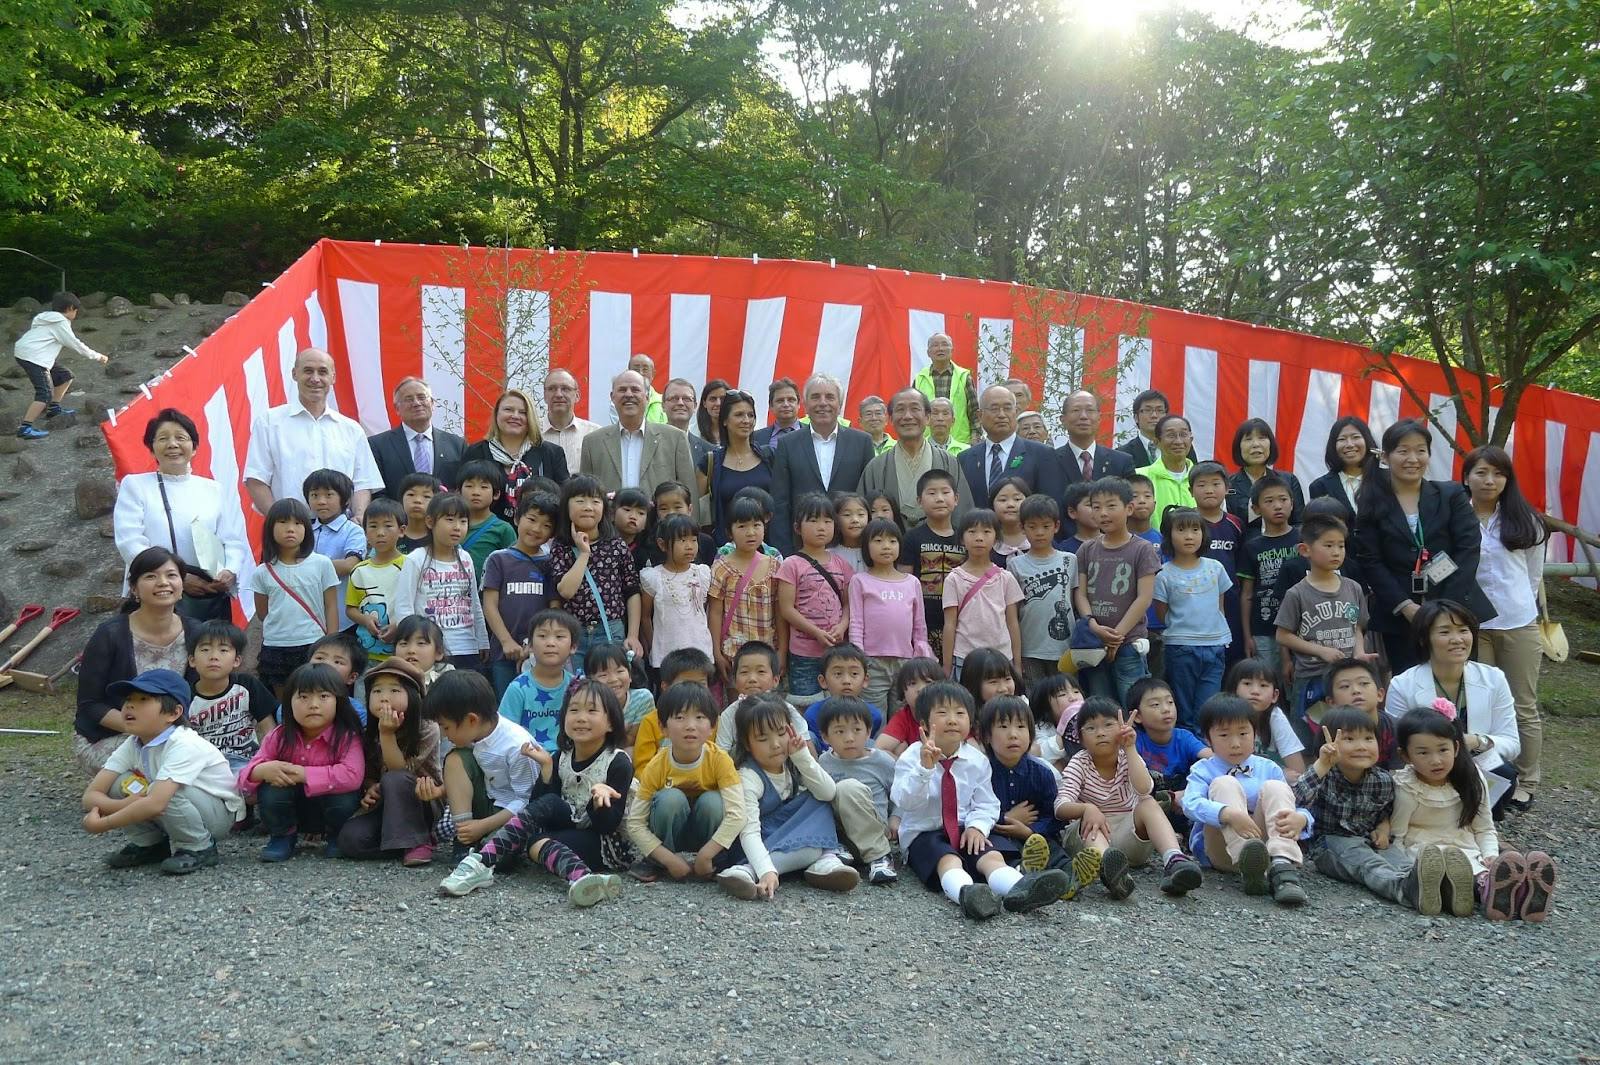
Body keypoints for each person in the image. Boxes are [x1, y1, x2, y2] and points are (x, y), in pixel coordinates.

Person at [439, 679, 632, 906]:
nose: (581, 718)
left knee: (539, 834)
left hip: (606, 842)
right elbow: (541, 808)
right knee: (535, 841)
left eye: (592, 711)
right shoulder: (562, 756)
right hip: (573, 826)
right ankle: (585, 880)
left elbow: (608, 826)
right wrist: (547, 768)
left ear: (611, 723)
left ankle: (482, 861)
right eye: (573, 710)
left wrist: (600, 802)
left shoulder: (617, 762)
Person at [891, 682, 1070, 919]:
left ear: (970, 721)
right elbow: (904, 801)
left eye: (960, 713)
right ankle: (968, 894)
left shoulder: (977, 760)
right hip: (925, 831)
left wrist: (977, 827)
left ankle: (1021, 889)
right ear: (923, 723)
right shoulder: (912, 757)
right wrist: (924, 770)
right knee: (947, 860)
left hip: (966, 828)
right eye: (942, 713)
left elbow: (986, 804)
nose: (952, 720)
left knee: (991, 855)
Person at [1357, 418, 1495, 673]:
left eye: (1421, 450)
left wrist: (1443, 610)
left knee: (1459, 682)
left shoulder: (1451, 495)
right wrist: (1406, 607)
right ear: (1385, 457)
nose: (1413, 458)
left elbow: (1468, 549)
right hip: (1401, 619)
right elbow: (1370, 561)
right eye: (1403, 451)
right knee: (1412, 685)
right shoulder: (1371, 501)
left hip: (1454, 612)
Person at [1392, 707, 1554, 921]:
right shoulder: (1406, 787)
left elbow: (1484, 827)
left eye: (1443, 750)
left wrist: (1490, 855)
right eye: (1423, 753)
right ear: (1405, 755)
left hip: (1465, 845)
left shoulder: (1471, 778)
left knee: (1477, 866)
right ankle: (1493, 891)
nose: (1436, 760)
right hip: (1423, 850)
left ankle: (1523, 893)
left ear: (1456, 747)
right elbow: (1397, 836)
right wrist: (1401, 870)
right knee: (1445, 870)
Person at [79, 669, 244, 874]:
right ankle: (150, 845)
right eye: (128, 699)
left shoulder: (184, 743)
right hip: (173, 806)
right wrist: (123, 804)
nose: (130, 705)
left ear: (173, 713)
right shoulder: (133, 743)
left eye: (143, 699)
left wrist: (104, 824)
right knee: (119, 782)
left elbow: (157, 803)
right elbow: (91, 795)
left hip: (215, 816)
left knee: (163, 791)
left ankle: (199, 847)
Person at [1462, 445, 1546, 813]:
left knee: (1522, 704)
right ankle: (1489, 778)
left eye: (1498, 473)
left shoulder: (1527, 521)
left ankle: (1527, 781)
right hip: (1474, 625)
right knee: (1481, 706)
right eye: (1481, 472)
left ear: (1508, 479)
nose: (1489, 480)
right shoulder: (1456, 517)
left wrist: (1525, 611)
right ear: (1466, 477)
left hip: (1518, 622)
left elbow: (1533, 576)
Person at [1054, 697, 1204, 898]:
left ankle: (1174, 860)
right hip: (1091, 838)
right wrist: (1086, 808)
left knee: (1148, 803)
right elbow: (1060, 806)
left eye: (1108, 725)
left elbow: (1144, 789)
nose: (1100, 732)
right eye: (1090, 728)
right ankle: (1111, 872)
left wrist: (1131, 748)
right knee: (1090, 825)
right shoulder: (1079, 763)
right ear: (1080, 738)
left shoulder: (1128, 757)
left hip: (1128, 836)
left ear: (1122, 728)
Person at [715, 695, 861, 899]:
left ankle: (823, 860)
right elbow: (748, 831)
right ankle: (750, 869)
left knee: (818, 800)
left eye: (781, 733)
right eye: (763, 739)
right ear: (747, 744)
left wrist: (802, 756)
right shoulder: (748, 776)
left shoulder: (792, 761)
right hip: (756, 843)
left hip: (790, 833)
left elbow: (829, 792)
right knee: (812, 850)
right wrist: (766, 870)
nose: (775, 744)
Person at [1384, 600, 1521, 816]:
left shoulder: (1493, 678)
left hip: (1475, 762)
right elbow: (1397, 749)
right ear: (1424, 639)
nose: (1457, 639)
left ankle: (1480, 824)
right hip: (1425, 767)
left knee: (1503, 772)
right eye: (1445, 632)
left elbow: (1512, 743)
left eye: (1463, 630)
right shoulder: (1403, 685)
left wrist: (1477, 741)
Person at [113, 408, 250, 621]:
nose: (172, 444)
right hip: (157, 593)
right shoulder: (135, 486)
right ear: (151, 448)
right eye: (163, 438)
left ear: (194, 447)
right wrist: (177, 578)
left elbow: (232, 540)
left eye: (180, 438)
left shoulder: (213, 489)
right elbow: (130, 542)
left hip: (208, 597)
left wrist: (229, 571)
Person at [1291, 706, 1428, 909]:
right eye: (1349, 739)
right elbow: (1296, 799)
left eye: (1368, 738)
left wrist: (1383, 829)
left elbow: (1384, 811)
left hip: (1368, 840)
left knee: (1398, 859)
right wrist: (1322, 764)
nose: (1362, 746)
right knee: (1368, 863)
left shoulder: (1382, 780)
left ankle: (1433, 888)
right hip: (1329, 844)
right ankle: (1403, 889)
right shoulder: (1323, 775)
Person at [1180, 694, 1312, 906]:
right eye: (1224, 735)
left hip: (1266, 847)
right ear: (1208, 739)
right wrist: (1227, 814)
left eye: (1243, 733)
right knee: (1224, 783)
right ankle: (1248, 861)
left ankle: (1282, 866)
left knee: (1276, 787)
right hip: (1222, 848)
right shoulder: (1203, 769)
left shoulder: (1268, 767)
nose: (1235, 744)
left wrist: (1301, 819)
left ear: (1255, 734)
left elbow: (1292, 805)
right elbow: (1189, 803)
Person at [238, 663, 366, 861]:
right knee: (271, 788)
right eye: (303, 697)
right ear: (289, 703)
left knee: (345, 795)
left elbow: (352, 775)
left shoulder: (347, 736)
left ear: (339, 701)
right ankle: (282, 837)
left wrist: (303, 774)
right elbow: (244, 778)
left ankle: (337, 837)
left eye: (323, 696)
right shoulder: (279, 736)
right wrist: (262, 771)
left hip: (330, 812)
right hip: (292, 812)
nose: (313, 704)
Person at [243, 348, 382, 523]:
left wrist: (359, 516)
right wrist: (280, 523)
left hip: (342, 529)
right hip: (290, 530)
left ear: (333, 377)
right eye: (308, 371)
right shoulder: (269, 422)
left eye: (322, 372)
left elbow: (363, 482)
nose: (315, 379)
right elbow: (256, 479)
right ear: (294, 374)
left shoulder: (352, 429)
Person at [625, 682, 747, 882]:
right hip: (670, 833)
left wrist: (706, 854)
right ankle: (657, 862)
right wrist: (668, 859)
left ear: (712, 727)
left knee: (713, 802)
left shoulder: (720, 760)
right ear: (663, 728)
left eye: (699, 717)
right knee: (670, 799)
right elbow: (635, 823)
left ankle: (714, 860)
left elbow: (738, 814)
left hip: (707, 835)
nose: (690, 726)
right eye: (680, 717)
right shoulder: (657, 765)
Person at [334, 659, 441, 866]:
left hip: (422, 800)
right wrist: (370, 787)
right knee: (350, 840)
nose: (384, 697)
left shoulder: (427, 728)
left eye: (394, 690)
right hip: (385, 803)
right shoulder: (368, 732)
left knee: (395, 778)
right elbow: (368, 773)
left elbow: (400, 770)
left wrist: (387, 734)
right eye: (376, 691)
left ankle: (419, 841)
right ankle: (399, 845)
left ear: (413, 696)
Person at [1275, 511, 1371, 742]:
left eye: (1341, 545)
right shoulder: (1297, 593)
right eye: (1328, 545)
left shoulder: (1353, 588)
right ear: (1305, 550)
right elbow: (1283, 635)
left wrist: (1359, 652)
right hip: (1312, 676)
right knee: (1310, 737)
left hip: (1347, 677)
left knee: (1349, 733)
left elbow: (1357, 626)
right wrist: (1321, 651)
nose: (1336, 552)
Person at [430, 669, 537, 861]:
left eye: (446, 727)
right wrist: (442, 790)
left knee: (497, 858)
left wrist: (484, 826)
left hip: (512, 814)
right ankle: (464, 838)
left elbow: (526, 801)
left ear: (472, 720)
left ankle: (481, 839)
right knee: (456, 759)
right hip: (489, 799)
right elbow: (468, 775)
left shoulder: (517, 746)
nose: (444, 735)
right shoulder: (476, 733)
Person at [1073, 477, 1160, 705]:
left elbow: (1144, 598)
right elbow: (1080, 594)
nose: (1103, 513)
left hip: (1129, 643)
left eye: (1111, 506)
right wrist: (1092, 624)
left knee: (1133, 704)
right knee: (1101, 705)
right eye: (1096, 507)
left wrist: (1116, 637)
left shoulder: (1143, 549)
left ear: (1129, 508)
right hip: (1093, 643)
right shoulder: (1087, 549)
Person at [771, 373, 876, 553]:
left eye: (829, 397)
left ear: (840, 404)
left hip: (852, 546)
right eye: (815, 397)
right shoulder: (787, 444)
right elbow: (780, 502)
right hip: (802, 548)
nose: (822, 403)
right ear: (805, 404)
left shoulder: (862, 442)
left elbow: (869, 497)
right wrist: (785, 551)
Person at [546, 475, 643, 661]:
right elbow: (566, 591)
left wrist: (632, 635)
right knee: (577, 680)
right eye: (580, 501)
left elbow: (632, 591)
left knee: (610, 678)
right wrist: (584, 553)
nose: (588, 507)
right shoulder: (560, 546)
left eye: (596, 501)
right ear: (566, 506)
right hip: (574, 632)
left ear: (605, 508)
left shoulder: (616, 545)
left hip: (610, 629)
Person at [1153, 507, 1233, 732]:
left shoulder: (1215, 568)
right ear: (1169, 536)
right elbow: (1162, 613)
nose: (1189, 536)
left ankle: (1205, 746)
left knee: (1208, 708)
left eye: (1195, 529)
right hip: (1181, 647)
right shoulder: (1164, 574)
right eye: (1181, 530)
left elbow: (1220, 606)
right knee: (1184, 709)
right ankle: (1189, 746)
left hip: (1215, 645)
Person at [250, 499, 340, 696]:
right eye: (283, 522)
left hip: (313, 643)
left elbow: (331, 606)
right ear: (270, 527)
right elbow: (263, 612)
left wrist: (330, 644)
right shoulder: (262, 572)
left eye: (298, 523)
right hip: (276, 645)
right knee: (284, 702)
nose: (291, 529)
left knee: (316, 695)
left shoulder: (322, 564)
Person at [393, 493, 491, 672]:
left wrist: (482, 640)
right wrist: (411, 646)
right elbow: (404, 607)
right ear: (430, 522)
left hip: (467, 646)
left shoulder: (465, 557)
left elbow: (474, 602)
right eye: (450, 520)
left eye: (463, 521)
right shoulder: (416, 559)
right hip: (431, 650)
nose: (457, 527)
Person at [977, 696, 1068, 876]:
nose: (1013, 734)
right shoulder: (981, 773)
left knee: (1053, 849)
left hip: (1035, 835)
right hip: (998, 836)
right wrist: (1004, 818)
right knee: (998, 850)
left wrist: (1029, 831)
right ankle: (1026, 875)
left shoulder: (1042, 773)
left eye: (1020, 726)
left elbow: (1053, 816)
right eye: (1003, 726)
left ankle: (1071, 873)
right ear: (987, 736)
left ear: (1030, 734)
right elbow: (973, 811)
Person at [858, 388, 972, 529]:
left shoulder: (949, 462)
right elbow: (862, 515)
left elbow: (962, 514)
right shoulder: (876, 467)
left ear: (927, 417)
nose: (907, 416)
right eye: (900, 410)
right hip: (890, 542)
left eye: (915, 409)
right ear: (891, 419)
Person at [580, 370, 700, 504]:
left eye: (635, 389)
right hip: (610, 517)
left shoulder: (675, 438)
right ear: (612, 397)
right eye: (622, 390)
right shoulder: (592, 442)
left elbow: (690, 495)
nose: (629, 394)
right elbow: (585, 494)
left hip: (658, 517)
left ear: (647, 397)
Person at [776, 493, 854, 698]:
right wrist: (816, 632)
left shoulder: (841, 564)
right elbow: (786, 609)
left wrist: (842, 626)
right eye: (813, 520)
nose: (821, 527)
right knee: (805, 703)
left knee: (838, 704)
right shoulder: (791, 564)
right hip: (804, 653)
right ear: (797, 527)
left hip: (837, 651)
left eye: (828, 521)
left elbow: (848, 604)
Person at [849, 519, 931, 713]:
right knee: (874, 715)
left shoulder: (912, 582)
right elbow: (856, 622)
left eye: (892, 541)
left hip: (906, 661)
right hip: (872, 661)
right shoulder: (860, 581)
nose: (886, 546)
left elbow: (919, 625)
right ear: (866, 547)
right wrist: (858, 657)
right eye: (878, 541)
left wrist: (920, 655)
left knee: (902, 714)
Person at [480, 491, 556, 698]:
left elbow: (554, 608)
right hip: (504, 653)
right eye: (531, 519)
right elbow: (489, 605)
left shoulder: (551, 563)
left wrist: (538, 644)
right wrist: (506, 641)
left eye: (546, 525)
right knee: (507, 707)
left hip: (541, 654)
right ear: (516, 518)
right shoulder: (498, 559)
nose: (537, 528)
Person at [814, 698, 899, 884]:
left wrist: (896, 817)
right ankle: (832, 850)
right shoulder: (824, 762)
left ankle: (880, 858)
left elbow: (901, 794)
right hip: (841, 841)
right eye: (840, 731)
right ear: (825, 737)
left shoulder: (882, 761)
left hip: (875, 833)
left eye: (857, 730)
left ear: (868, 732)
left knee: (847, 788)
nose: (849, 738)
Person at [461, 389, 569, 523]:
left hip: (538, 532)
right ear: (496, 414)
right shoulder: (476, 452)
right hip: (488, 532)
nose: (515, 416)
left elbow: (564, 500)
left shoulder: (551, 453)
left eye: (523, 412)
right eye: (508, 410)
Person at [708, 496, 784, 684]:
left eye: (756, 525)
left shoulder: (775, 566)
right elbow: (715, 612)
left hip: (767, 649)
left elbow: (780, 611)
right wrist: (716, 651)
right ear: (729, 532)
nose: (751, 532)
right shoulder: (721, 568)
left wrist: (782, 650)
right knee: (738, 697)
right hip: (733, 651)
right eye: (742, 526)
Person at [185, 620, 278, 773]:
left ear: (236, 660)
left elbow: (268, 727)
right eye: (205, 649)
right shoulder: (185, 696)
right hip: (206, 765)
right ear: (192, 660)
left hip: (246, 761)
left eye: (223, 650)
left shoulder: (247, 684)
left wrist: (268, 759)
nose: (214, 656)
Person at [13, 291, 107, 439]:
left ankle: (54, 409)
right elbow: (75, 344)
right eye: (76, 310)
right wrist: (97, 356)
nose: (76, 313)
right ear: (70, 308)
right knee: (44, 394)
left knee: (65, 376)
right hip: (34, 357)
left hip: (27, 353)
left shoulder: (45, 317)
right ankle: (25, 428)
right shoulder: (60, 322)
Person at [1003, 494, 1075, 685]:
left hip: (1064, 647)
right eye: (1032, 527)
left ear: (1056, 526)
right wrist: (1016, 657)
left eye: (1045, 526)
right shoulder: (1015, 564)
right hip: (1030, 648)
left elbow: (1077, 600)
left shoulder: (1070, 560)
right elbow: (1012, 613)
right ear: (1022, 528)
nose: (1039, 532)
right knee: (1034, 696)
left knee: (1065, 694)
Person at [942, 510, 1024, 677]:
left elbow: (1012, 623)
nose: (979, 538)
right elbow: (949, 624)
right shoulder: (954, 579)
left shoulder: (1005, 578)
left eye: (986, 531)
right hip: (965, 657)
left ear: (996, 538)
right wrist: (947, 667)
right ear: (962, 539)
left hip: (1002, 656)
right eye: (972, 532)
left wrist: (1017, 664)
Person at [899, 469, 966, 664]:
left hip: (960, 624)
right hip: (923, 624)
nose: (939, 498)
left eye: (945, 492)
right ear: (919, 501)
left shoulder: (965, 537)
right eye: (932, 493)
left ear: (956, 499)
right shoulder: (912, 538)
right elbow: (904, 583)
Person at [957, 385, 1065, 506]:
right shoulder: (965, 458)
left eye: (1008, 408)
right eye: (994, 409)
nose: (1002, 415)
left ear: (1016, 412)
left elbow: (1050, 503)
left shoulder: (1042, 453)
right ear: (980, 415)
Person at [1237, 475, 1301, 671]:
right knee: (1266, 679)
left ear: (1292, 503)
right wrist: (1247, 636)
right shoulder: (1251, 547)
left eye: (1283, 499)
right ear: (1256, 509)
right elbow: (1247, 595)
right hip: (1264, 629)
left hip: (1302, 628)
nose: (1278, 506)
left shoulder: (1304, 539)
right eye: (1269, 501)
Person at [366, 377, 466, 501]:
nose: (417, 403)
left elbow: (463, 488)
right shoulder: (377, 445)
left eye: (422, 397)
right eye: (409, 399)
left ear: (432, 403)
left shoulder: (457, 445)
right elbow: (377, 492)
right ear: (397, 408)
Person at [1128, 676, 1209, 828]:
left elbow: (1212, 759)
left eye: (1170, 702)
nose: (1166, 709)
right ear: (1137, 716)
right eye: (1155, 704)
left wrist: (1188, 792)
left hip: (1183, 806)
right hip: (1147, 811)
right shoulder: (1134, 741)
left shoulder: (1183, 738)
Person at [639, 513, 714, 673]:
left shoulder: (702, 573)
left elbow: (704, 609)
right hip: (667, 653)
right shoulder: (653, 577)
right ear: (662, 545)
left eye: (693, 540)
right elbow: (645, 616)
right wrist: (655, 645)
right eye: (682, 540)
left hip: (700, 649)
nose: (689, 546)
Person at [702, 389, 776, 546]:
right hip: (726, 549)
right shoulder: (709, 462)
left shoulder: (770, 456)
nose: (746, 420)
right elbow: (699, 511)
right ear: (724, 420)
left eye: (751, 415)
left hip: (770, 548)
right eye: (739, 415)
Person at [497, 609, 577, 745]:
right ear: (530, 646)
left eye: (559, 637)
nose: (550, 643)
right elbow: (504, 733)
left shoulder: (577, 687)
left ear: (573, 647)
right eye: (542, 636)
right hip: (527, 755)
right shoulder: (518, 688)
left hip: (569, 754)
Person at [345, 498, 408, 663]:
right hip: (368, 653)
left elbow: (419, 602)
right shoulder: (359, 571)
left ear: (401, 531)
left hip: (404, 652)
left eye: (388, 526)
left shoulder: (410, 565)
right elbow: (351, 609)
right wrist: (365, 620)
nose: (380, 532)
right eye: (373, 526)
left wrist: (399, 624)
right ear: (365, 533)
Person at [303, 468, 368, 626]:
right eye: (314, 495)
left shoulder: (353, 531)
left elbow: (350, 565)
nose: (321, 501)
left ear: (345, 499)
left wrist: (304, 566)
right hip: (307, 618)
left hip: (343, 618)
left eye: (329, 495)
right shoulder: (304, 529)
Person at [1227, 656, 1307, 781]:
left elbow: (1298, 772)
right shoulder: (1224, 718)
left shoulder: (1275, 717)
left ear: (1275, 696)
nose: (1255, 691)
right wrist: (1277, 774)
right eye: (1247, 683)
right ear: (1233, 691)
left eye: (1263, 685)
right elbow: (1221, 767)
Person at [1225, 418, 1306, 527]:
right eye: (1248, 439)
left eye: (1262, 438)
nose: (1256, 444)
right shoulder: (1228, 485)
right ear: (1238, 447)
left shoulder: (1288, 480)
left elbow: (1300, 523)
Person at [1308, 416, 1378, 525]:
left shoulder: (1386, 480)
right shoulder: (1319, 486)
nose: (1349, 444)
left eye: (1355, 437)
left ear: (1367, 440)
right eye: (1342, 439)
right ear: (1333, 446)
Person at [1057, 390, 1135, 485]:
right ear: (1063, 419)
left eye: (1090, 410)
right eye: (1076, 410)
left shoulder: (1121, 462)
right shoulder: (1050, 461)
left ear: (1099, 418)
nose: (1083, 416)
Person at [912, 333, 978, 446]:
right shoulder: (919, 379)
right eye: (935, 345)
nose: (940, 348)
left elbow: (974, 412)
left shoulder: (964, 377)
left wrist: (975, 438)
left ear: (952, 350)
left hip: (959, 444)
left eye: (944, 344)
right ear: (928, 352)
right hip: (926, 445)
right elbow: (914, 413)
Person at [454, 460, 517, 577]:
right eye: (469, 486)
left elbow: (512, 567)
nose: (476, 492)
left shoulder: (503, 529)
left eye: (484, 487)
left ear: (496, 494)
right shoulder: (449, 524)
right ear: (458, 492)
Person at [874, 658, 945, 758]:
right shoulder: (904, 717)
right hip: (916, 765)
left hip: (949, 762)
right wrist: (904, 762)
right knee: (899, 748)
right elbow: (879, 750)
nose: (920, 689)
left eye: (928, 682)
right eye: (912, 683)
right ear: (903, 691)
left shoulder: (950, 713)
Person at [1136, 413, 1197, 528]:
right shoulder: (1140, 477)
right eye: (1171, 435)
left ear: (1191, 439)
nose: (1178, 441)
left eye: (1183, 435)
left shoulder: (1202, 478)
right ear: (1156, 442)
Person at [540, 369, 600, 475]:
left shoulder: (595, 434)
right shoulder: (531, 432)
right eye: (552, 389)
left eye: (565, 389)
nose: (558, 394)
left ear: (577, 395)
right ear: (545, 396)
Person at [1117, 389, 1193, 468]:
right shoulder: (1123, 454)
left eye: (1159, 410)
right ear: (1136, 417)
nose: (1154, 415)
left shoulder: (1181, 447)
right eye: (1148, 410)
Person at [661, 378, 714, 470]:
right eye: (674, 398)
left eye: (686, 399)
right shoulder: (647, 444)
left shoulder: (709, 452)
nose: (680, 403)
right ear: (663, 406)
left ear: (695, 406)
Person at [396, 472, 439, 553]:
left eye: (426, 496)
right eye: (411, 494)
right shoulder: (392, 535)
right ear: (401, 499)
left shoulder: (440, 538)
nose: (417, 500)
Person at [989, 477, 1031, 560]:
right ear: (992, 505)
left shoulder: (1040, 536)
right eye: (1003, 500)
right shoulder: (986, 540)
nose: (1010, 504)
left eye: (1017, 499)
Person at [753, 377, 802, 447]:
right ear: (771, 405)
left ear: (798, 404)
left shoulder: (813, 433)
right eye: (780, 400)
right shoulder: (756, 437)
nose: (786, 404)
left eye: (791, 400)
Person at [829, 492, 870, 573]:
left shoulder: (875, 551)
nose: (855, 520)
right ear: (836, 519)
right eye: (847, 515)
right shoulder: (829, 555)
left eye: (861, 514)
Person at [695, 379, 729, 450]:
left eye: (723, 399)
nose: (718, 403)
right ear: (704, 403)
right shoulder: (693, 432)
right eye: (713, 399)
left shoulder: (739, 430)